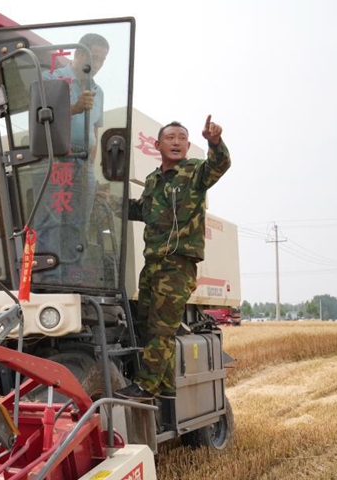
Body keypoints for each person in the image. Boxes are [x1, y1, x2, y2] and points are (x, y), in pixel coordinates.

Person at [115, 115, 231, 401]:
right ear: (158, 145)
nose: (176, 142)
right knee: (143, 324)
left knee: (162, 329)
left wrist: (214, 142)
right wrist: (107, 202)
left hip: (178, 263)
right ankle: (166, 386)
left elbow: (220, 165)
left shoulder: (194, 173)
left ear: (188, 145)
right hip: (153, 263)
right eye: (170, 138)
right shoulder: (154, 180)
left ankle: (147, 386)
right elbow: (142, 209)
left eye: (181, 138)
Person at [34, 34, 109, 284]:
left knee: (79, 222)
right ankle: (50, 279)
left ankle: (73, 278)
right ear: (78, 54)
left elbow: (94, 133)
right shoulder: (51, 79)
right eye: (93, 57)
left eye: (101, 59)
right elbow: (42, 118)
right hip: (56, 158)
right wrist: (75, 108)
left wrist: (92, 169)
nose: (96, 63)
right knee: (52, 221)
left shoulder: (98, 92)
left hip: (83, 162)